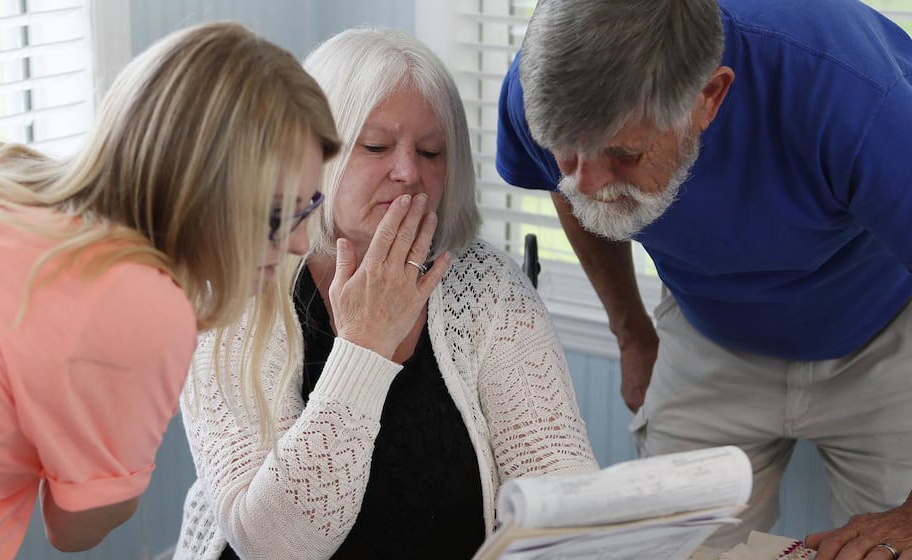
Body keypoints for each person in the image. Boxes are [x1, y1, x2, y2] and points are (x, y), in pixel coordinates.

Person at [496, 0, 912, 558]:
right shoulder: (540, 84)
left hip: (881, 337)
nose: (589, 181)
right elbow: (569, 194)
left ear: (709, 96)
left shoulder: (853, 91)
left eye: (624, 153)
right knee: (669, 550)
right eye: (566, 149)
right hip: (705, 327)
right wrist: (631, 332)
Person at [174, 27, 599, 560]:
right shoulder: (240, 287)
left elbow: (560, 488)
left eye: (431, 151)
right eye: (375, 146)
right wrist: (366, 346)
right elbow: (273, 545)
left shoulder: (487, 286)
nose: (409, 172)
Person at [0, 22, 344, 560]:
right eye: (275, 216)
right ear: (195, 189)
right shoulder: (140, 304)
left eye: (308, 207)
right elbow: (72, 530)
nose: (297, 243)